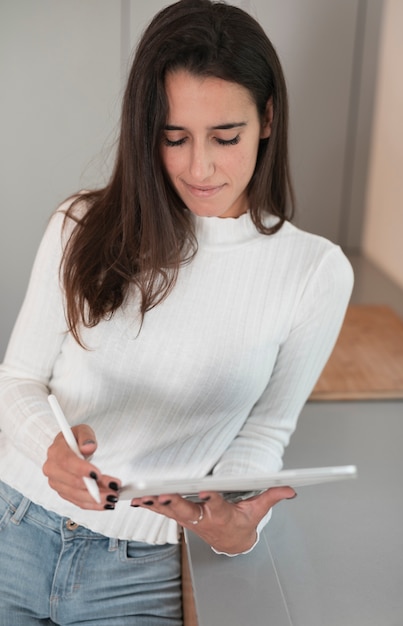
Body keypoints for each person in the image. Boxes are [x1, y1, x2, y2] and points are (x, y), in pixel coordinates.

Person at [0, 0, 354, 624]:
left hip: (141, 569)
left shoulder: (313, 274)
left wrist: (232, 524)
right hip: (15, 521)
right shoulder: (81, 225)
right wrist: (49, 447)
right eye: (174, 138)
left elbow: (261, 433)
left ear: (267, 119)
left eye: (226, 136)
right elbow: (18, 380)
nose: (200, 167)